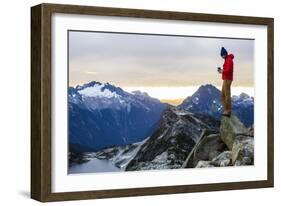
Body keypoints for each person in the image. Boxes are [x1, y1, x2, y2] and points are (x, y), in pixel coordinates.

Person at [218, 47, 234, 117]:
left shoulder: (229, 60)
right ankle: (226, 110)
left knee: (227, 95)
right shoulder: (226, 59)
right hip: (225, 78)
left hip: (228, 79)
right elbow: (226, 70)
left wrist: (222, 71)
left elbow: (229, 70)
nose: (221, 57)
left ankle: (228, 111)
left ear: (224, 54)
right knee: (223, 95)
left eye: (222, 55)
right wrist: (221, 71)